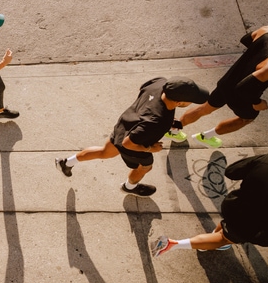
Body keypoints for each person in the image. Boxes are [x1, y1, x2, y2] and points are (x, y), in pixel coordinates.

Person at [166, 12, 268, 148]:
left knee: (205, 108)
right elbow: (243, 89)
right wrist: (258, 103)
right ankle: (204, 137)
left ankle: (174, 128)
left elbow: (247, 39)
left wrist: (255, 59)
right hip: (240, 98)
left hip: (227, 81)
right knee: (244, 119)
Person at [55, 77, 210, 197]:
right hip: (134, 145)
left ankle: (66, 162)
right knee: (145, 167)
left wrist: (163, 118)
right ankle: (130, 187)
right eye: (191, 100)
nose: (192, 102)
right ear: (179, 102)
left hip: (125, 125)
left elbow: (143, 91)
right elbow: (129, 144)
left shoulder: (160, 83)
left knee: (104, 152)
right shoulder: (156, 121)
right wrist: (151, 148)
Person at [152, 152, 268, 257]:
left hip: (232, 205)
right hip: (245, 226)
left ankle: (218, 233)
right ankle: (173, 244)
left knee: (225, 227)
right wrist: (251, 236)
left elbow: (231, 171)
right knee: (221, 239)